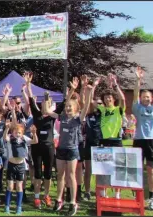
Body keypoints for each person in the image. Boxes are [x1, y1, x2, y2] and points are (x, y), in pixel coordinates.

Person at [48, 80, 94, 216]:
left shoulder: (78, 119)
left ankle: (73, 202)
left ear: (75, 109)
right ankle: (59, 200)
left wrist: (89, 92)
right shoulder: (61, 117)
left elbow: (85, 108)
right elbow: (47, 112)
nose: (68, 108)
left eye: (70, 107)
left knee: (71, 175)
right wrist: (71, 91)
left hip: (73, 150)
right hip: (61, 149)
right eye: (66, 107)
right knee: (60, 175)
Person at [24, 72, 66, 209]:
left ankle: (46, 195)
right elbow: (30, 99)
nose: (44, 105)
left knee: (48, 173)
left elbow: (64, 104)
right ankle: (36, 197)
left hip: (49, 147)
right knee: (37, 173)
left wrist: (71, 91)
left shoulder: (52, 117)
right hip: (36, 146)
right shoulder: (36, 114)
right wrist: (28, 84)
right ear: (41, 105)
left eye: (47, 103)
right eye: (43, 103)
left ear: (50, 105)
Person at [132, 65, 153, 211]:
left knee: (151, 169)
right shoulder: (137, 108)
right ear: (141, 99)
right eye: (143, 97)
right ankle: (137, 196)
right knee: (137, 170)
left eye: (148, 97)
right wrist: (138, 80)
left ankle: (152, 198)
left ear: (151, 99)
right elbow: (134, 95)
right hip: (139, 140)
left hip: (152, 141)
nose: (146, 98)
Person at [94, 73, 127, 199]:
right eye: (106, 98)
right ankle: (104, 193)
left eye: (110, 98)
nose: (108, 99)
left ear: (113, 99)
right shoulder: (102, 110)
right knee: (103, 168)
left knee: (117, 168)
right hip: (104, 141)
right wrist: (95, 86)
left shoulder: (119, 110)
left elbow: (123, 99)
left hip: (116, 141)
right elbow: (91, 101)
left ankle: (117, 193)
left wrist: (115, 85)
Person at [4, 122, 38, 214]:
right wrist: (7, 129)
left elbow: (35, 141)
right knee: (10, 186)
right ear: (13, 132)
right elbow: (4, 137)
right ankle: (7, 206)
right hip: (11, 165)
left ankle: (18, 207)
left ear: (22, 133)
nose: (17, 134)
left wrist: (34, 133)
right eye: (15, 132)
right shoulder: (10, 138)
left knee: (19, 187)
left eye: (19, 132)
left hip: (21, 166)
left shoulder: (24, 138)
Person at [83, 91, 103, 201]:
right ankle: (87, 192)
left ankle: (100, 191)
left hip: (100, 144)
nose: (99, 105)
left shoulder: (103, 114)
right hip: (89, 145)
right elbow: (87, 101)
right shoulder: (89, 113)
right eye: (97, 103)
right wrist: (91, 89)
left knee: (100, 171)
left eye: (101, 103)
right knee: (88, 170)